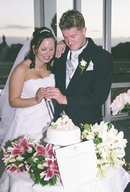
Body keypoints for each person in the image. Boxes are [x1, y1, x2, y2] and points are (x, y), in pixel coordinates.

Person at [43, 9, 113, 127]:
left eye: (73, 36)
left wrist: (65, 99)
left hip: (86, 125)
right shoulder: (60, 52)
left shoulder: (102, 57)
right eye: (65, 37)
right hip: (58, 124)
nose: (69, 42)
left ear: (84, 30)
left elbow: (98, 98)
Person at [0, 27, 56, 147]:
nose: (48, 54)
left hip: (48, 120)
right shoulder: (21, 70)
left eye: (51, 49)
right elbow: (13, 101)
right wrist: (35, 100)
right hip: (27, 123)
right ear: (34, 48)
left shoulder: (52, 65)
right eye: (43, 49)